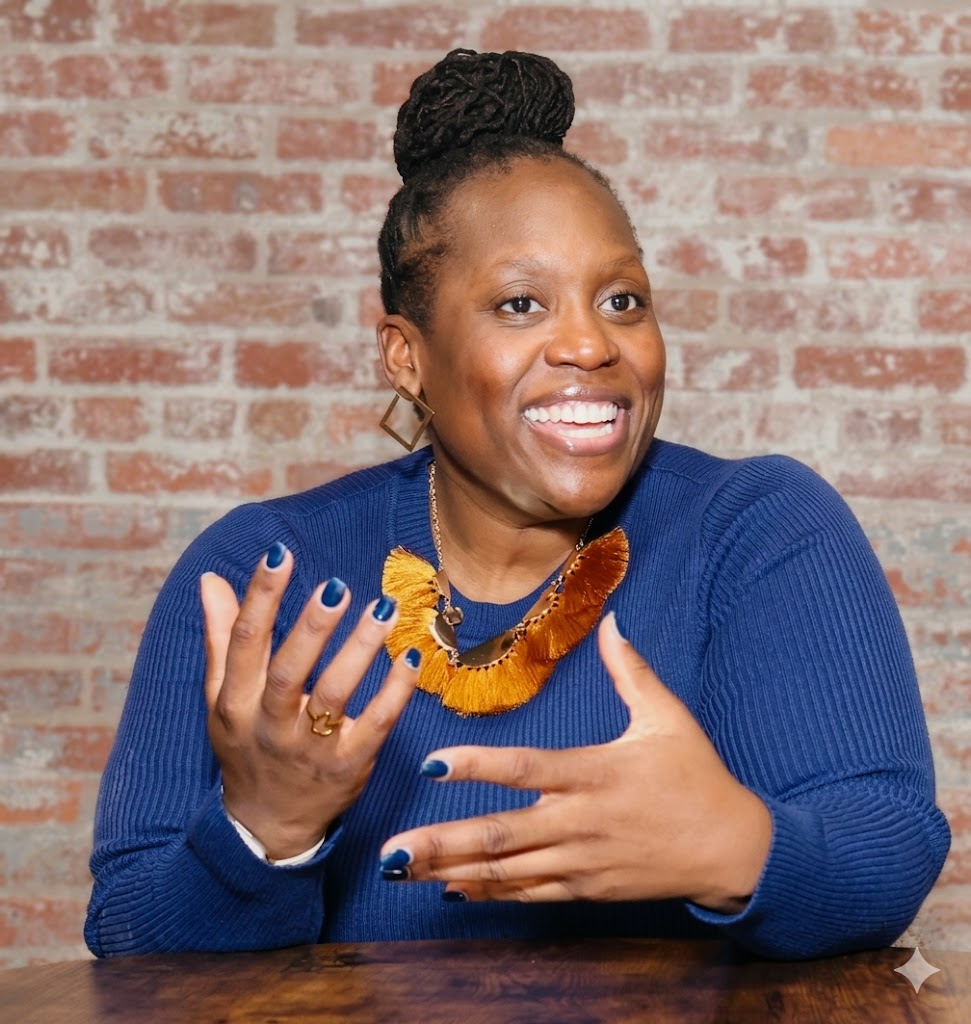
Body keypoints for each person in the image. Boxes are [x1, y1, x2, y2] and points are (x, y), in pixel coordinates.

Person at [85, 49, 950, 961]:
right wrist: (265, 829)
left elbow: (887, 845)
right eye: (520, 303)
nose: (589, 343)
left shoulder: (754, 528)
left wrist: (735, 848)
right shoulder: (264, 573)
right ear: (405, 357)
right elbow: (131, 941)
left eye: (621, 299)